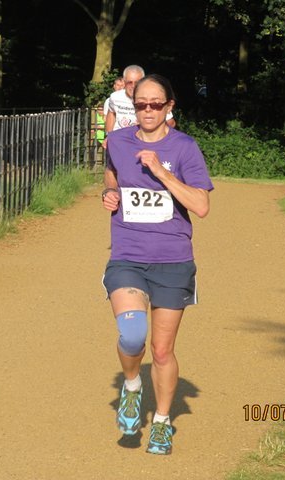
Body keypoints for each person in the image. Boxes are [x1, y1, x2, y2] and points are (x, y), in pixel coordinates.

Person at [101, 74, 213, 455]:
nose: (147, 110)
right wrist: (110, 191)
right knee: (132, 335)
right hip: (128, 256)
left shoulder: (184, 148)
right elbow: (112, 171)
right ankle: (132, 385)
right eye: (141, 104)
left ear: (169, 107)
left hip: (172, 260)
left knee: (162, 351)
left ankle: (162, 422)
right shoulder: (118, 141)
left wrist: (162, 172)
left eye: (155, 104)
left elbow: (201, 206)